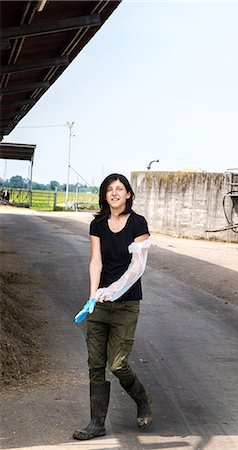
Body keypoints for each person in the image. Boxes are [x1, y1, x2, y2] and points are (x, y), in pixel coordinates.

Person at [73, 173, 153, 441]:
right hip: (100, 304)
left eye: (120, 189)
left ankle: (142, 399)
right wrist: (93, 295)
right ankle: (97, 424)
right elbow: (95, 261)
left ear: (128, 194)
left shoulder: (137, 223)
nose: (115, 193)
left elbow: (137, 267)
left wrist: (113, 291)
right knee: (95, 364)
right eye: (110, 189)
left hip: (126, 304)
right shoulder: (97, 224)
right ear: (104, 195)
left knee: (118, 365)